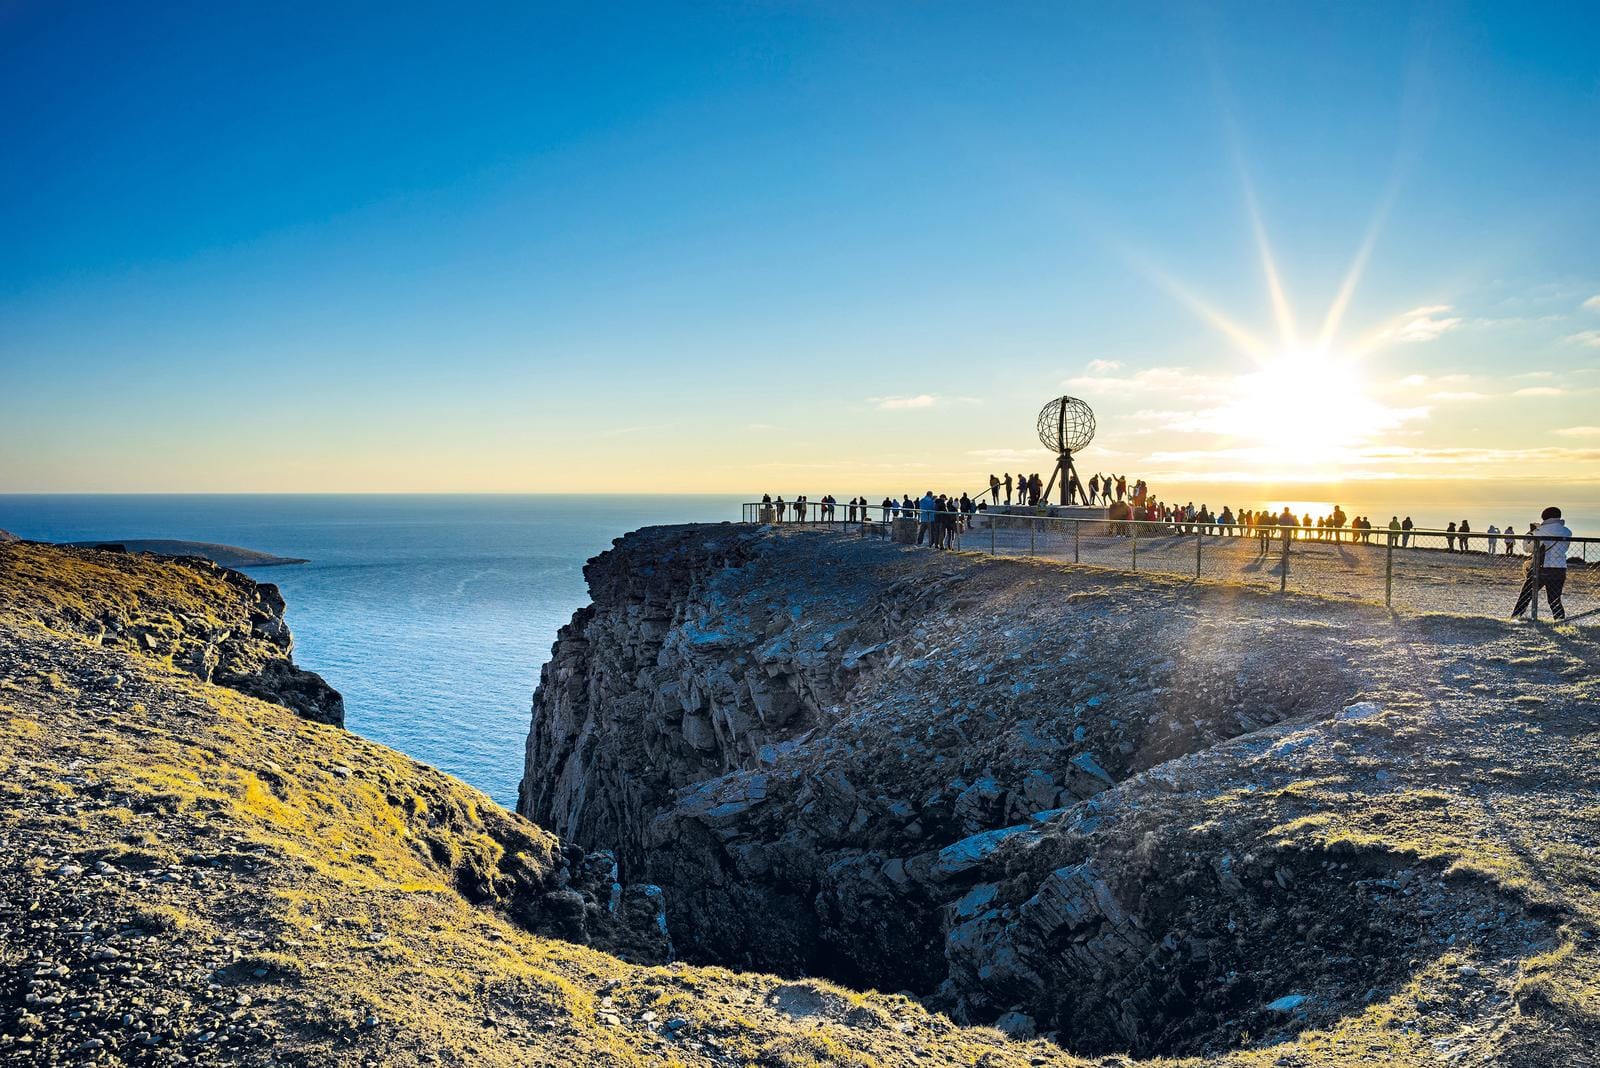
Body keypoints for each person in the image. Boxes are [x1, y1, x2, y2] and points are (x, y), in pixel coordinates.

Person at [1511, 507, 1572, 621]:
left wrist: (1531, 533)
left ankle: (1515, 617)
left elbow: (1528, 548)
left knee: (1526, 595)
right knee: (1554, 599)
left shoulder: (1540, 531)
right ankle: (1560, 620)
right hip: (1559, 567)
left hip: (1541, 567)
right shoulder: (1567, 531)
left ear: (1545, 517)